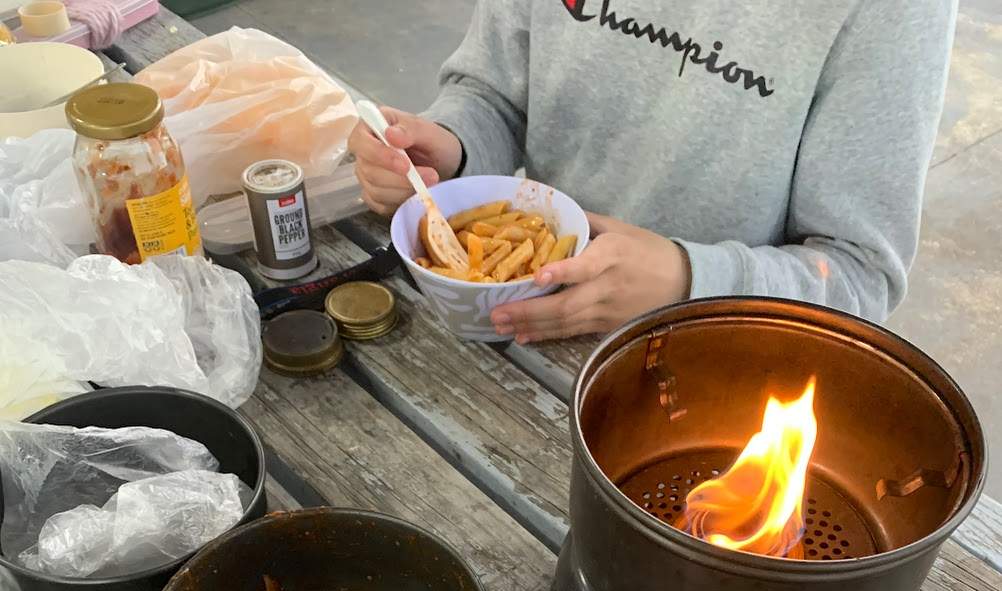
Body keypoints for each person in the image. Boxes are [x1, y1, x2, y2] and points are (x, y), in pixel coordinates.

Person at [348, 0, 957, 344]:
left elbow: (859, 277)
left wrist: (688, 280)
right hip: (518, 330)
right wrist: (452, 149)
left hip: (712, 374)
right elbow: (494, 92)